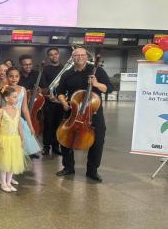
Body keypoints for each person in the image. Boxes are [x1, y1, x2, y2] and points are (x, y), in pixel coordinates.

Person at [55, 47, 113, 182]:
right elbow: (60, 92)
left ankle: (92, 171)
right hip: (73, 111)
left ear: (87, 57)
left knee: (98, 142)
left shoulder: (97, 71)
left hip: (93, 113)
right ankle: (68, 167)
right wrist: (63, 102)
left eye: (82, 55)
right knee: (66, 138)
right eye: (76, 55)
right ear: (72, 58)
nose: (80, 57)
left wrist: (96, 83)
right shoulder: (67, 74)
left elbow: (109, 88)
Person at [0, 87, 25, 193]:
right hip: (4, 139)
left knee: (12, 161)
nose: (17, 99)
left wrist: (22, 136)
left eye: (17, 97)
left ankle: (8, 182)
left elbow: (19, 125)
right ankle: (3, 182)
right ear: (7, 98)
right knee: (4, 162)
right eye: (14, 97)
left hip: (14, 139)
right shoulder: (1, 111)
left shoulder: (17, 110)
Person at [6, 67, 41, 158]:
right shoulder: (4, 89)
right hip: (6, 120)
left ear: (19, 77)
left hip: (18, 120)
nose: (14, 78)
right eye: (11, 76)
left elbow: (25, 108)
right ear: (7, 77)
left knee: (20, 145)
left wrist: (30, 125)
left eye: (16, 76)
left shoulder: (23, 89)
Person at [41, 47, 64, 156]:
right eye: (51, 54)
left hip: (60, 101)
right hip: (49, 101)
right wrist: (48, 95)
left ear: (58, 55)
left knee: (58, 124)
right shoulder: (45, 69)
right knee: (48, 124)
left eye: (55, 54)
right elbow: (43, 84)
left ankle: (56, 146)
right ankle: (46, 146)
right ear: (48, 57)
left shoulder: (65, 68)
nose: (54, 56)